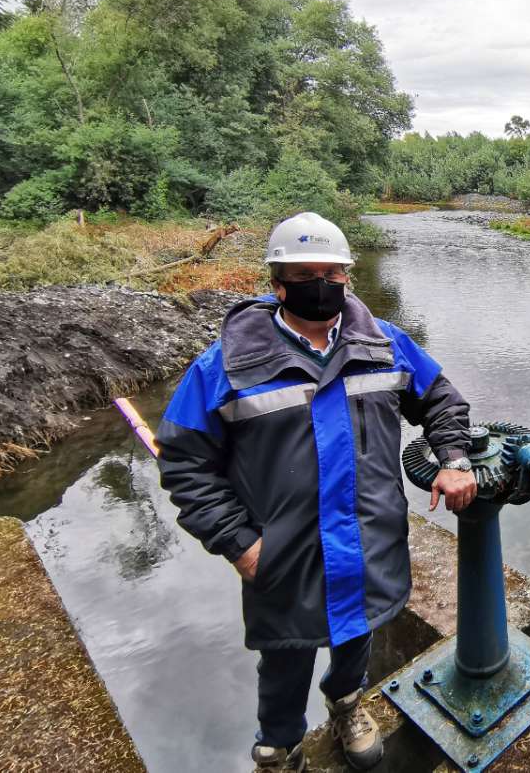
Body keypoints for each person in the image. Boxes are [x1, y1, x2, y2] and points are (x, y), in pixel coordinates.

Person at [156, 212, 478, 772]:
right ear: (277, 284)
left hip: (368, 540)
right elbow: (185, 463)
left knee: (358, 634)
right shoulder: (226, 366)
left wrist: (453, 458)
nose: (323, 284)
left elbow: (442, 401)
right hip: (285, 551)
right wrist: (239, 544)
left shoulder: (383, 344)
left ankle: (347, 703)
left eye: (334, 273)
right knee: (285, 655)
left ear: (349, 277)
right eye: (307, 274)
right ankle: (280, 745)